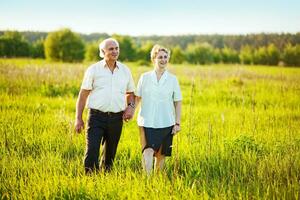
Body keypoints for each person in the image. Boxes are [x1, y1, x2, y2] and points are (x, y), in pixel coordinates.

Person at [75, 38, 135, 173]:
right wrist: (78, 118)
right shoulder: (93, 70)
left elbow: (130, 93)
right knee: (92, 152)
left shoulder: (125, 70)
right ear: (102, 52)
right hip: (96, 117)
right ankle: (89, 181)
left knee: (110, 155)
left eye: (117, 48)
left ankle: (106, 180)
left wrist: (130, 107)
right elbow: (83, 94)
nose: (115, 51)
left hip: (116, 118)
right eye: (111, 49)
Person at [135, 44, 182, 175]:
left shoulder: (172, 79)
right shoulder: (144, 77)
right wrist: (129, 112)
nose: (163, 60)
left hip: (166, 122)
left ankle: (157, 183)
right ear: (153, 59)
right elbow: (137, 98)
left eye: (165, 57)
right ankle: (147, 181)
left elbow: (177, 102)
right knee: (147, 151)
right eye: (160, 57)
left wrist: (177, 123)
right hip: (146, 121)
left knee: (161, 155)